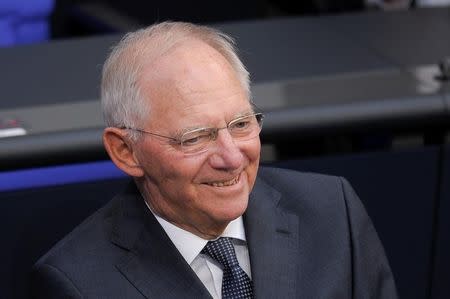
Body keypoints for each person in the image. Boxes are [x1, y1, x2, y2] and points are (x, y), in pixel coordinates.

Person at [31, 21, 398, 298]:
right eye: (195, 137)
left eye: (240, 124)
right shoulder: (76, 283)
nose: (231, 156)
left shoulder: (333, 212)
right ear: (126, 152)